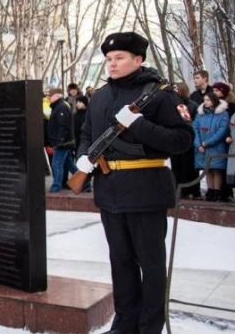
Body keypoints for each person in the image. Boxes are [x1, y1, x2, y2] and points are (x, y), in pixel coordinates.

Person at [75, 32, 193, 334]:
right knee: (121, 264)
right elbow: (88, 133)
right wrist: (83, 158)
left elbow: (182, 140)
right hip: (109, 190)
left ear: (138, 60)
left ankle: (149, 327)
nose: (112, 64)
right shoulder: (100, 96)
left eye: (119, 58)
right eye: (109, 59)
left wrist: (139, 125)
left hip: (146, 190)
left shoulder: (160, 94)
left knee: (151, 266)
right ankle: (124, 324)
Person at [194, 93, 229, 202]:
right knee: (207, 169)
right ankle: (210, 190)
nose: (205, 102)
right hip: (202, 147)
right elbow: (195, 129)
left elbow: (222, 131)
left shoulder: (223, 114)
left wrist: (207, 143)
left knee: (216, 169)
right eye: (204, 100)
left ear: (214, 101)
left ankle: (217, 191)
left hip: (216, 147)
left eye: (208, 100)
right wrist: (198, 144)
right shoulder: (200, 115)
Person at [171, 82, 200, 200]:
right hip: (173, 139)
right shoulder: (170, 104)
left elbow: (187, 121)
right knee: (176, 166)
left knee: (188, 166)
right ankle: (178, 189)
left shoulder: (189, 105)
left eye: (175, 89)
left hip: (187, 139)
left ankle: (191, 191)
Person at [47, 89, 77, 193]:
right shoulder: (59, 107)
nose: (48, 97)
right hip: (63, 142)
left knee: (56, 163)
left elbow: (63, 126)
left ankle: (56, 186)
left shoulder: (61, 107)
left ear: (56, 96)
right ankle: (84, 182)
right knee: (68, 164)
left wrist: (59, 141)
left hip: (62, 142)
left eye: (50, 95)